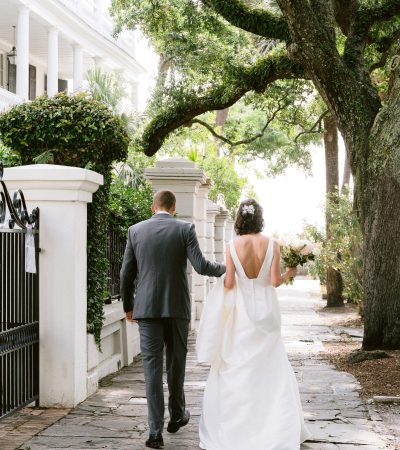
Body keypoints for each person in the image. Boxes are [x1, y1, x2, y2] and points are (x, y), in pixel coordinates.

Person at [197, 199, 312, 450]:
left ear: (239, 219)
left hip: (242, 315)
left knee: (240, 367)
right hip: (268, 313)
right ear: (260, 218)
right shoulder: (271, 244)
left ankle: (241, 430)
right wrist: (289, 273)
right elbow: (273, 281)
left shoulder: (231, 245)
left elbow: (228, 283)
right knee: (271, 366)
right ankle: (276, 428)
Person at [120, 189, 226, 449]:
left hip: (146, 310)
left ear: (152, 207)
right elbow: (201, 266)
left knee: (152, 369)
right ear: (174, 207)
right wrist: (227, 268)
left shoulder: (135, 231)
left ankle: (155, 432)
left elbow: (125, 273)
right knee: (176, 366)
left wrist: (128, 306)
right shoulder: (185, 229)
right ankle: (177, 415)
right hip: (177, 309)